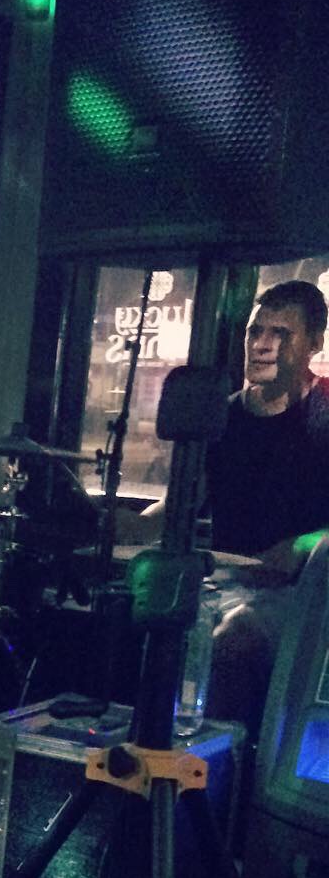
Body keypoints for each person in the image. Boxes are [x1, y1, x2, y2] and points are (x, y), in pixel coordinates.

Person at [120, 278, 329, 734]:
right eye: (256, 331)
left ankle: (221, 766)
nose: (262, 345)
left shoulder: (326, 411)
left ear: (314, 343)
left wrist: (304, 545)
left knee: (236, 636)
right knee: (141, 618)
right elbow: (183, 501)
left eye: (280, 334)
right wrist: (132, 527)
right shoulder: (222, 416)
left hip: (304, 597)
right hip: (224, 583)